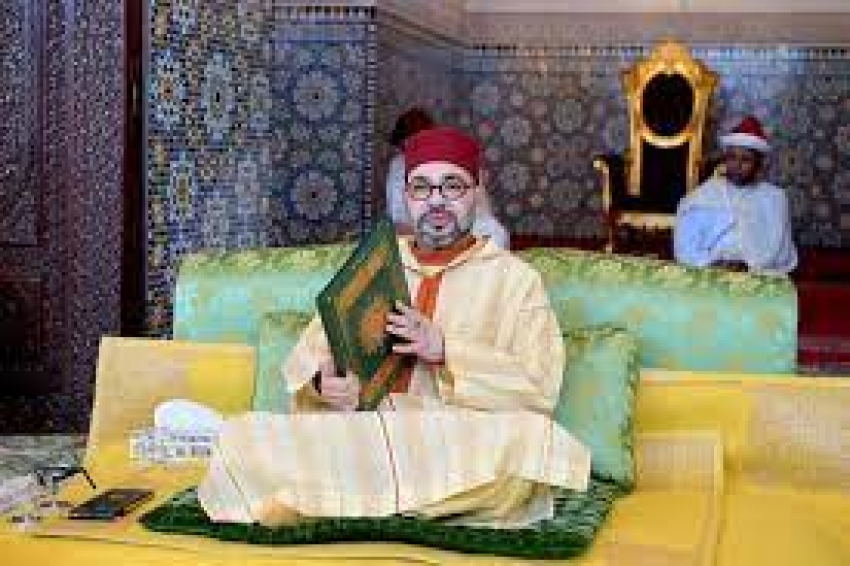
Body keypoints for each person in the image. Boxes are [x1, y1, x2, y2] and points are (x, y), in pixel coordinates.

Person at [197, 127, 589, 528]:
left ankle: (333, 498)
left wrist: (445, 350)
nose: (436, 200)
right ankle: (403, 500)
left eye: (452, 186)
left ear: (476, 191)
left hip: (452, 440)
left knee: (528, 441)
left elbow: (539, 386)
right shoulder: (374, 264)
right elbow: (311, 356)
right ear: (406, 196)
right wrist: (322, 383)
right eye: (421, 187)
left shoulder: (516, 280)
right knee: (239, 436)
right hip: (364, 433)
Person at [674, 116, 798, 275]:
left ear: (758, 164)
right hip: (709, 274)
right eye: (732, 157)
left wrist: (748, 266)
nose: (737, 165)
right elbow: (685, 248)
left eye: (745, 160)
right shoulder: (702, 196)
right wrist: (713, 264)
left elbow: (780, 252)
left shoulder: (774, 198)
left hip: (759, 276)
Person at [385, 108, 510, 249]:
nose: (412, 151)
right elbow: (397, 217)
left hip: (467, 231)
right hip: (416, 235)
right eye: (405, 147)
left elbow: (479, 211)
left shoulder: (457, 160)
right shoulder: (398, 166)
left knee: (493, 236)